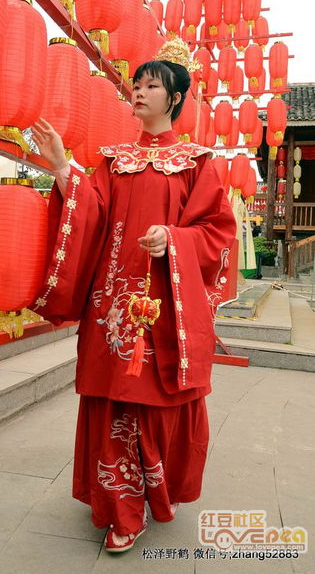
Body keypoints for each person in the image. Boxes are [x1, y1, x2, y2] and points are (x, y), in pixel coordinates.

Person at [30, 38, 236, 554]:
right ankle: (122, 505)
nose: (139, 92)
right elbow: (91, 211)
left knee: (150, 404)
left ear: (175, 99)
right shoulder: (112, 162)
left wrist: (175, 240)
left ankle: (146, 497)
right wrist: (60, 168)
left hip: (164, 304)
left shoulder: (196, 163)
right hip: (111, 306)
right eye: (137, 84)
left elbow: (218, 231)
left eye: (152, 85)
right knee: (112, 400)